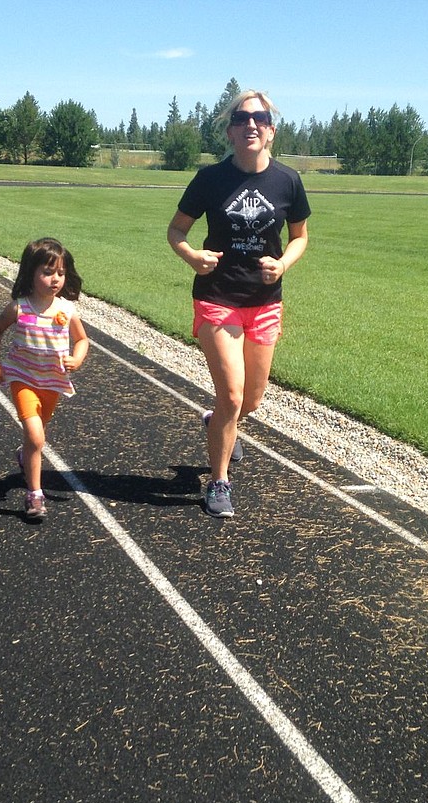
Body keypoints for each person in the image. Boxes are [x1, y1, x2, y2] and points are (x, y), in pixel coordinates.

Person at [167, 90, 311, 517]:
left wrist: (282, 264)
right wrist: (192, 256)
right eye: (242, 118)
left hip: (264, 302)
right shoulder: (210, 179)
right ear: (230, 131)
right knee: (230, 395)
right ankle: (219, 481)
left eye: (260, 118)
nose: (251, 124)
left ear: (271, 130)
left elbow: (300, 237)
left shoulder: (287, 181)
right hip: (218, 296)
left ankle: (217, 423)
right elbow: (176, 231)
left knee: (251, 400)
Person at [0, 238, 89, 519]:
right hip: (23, 379)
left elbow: (82, 340)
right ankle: (35, 495)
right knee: (35, 436)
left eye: (61, 273)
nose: (55, 279)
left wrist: (77, 358)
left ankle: (25, 454)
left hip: (52, 383)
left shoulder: (66, 310)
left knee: (36, 436)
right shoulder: (19, 308)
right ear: (30, 273)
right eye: (47, 272)